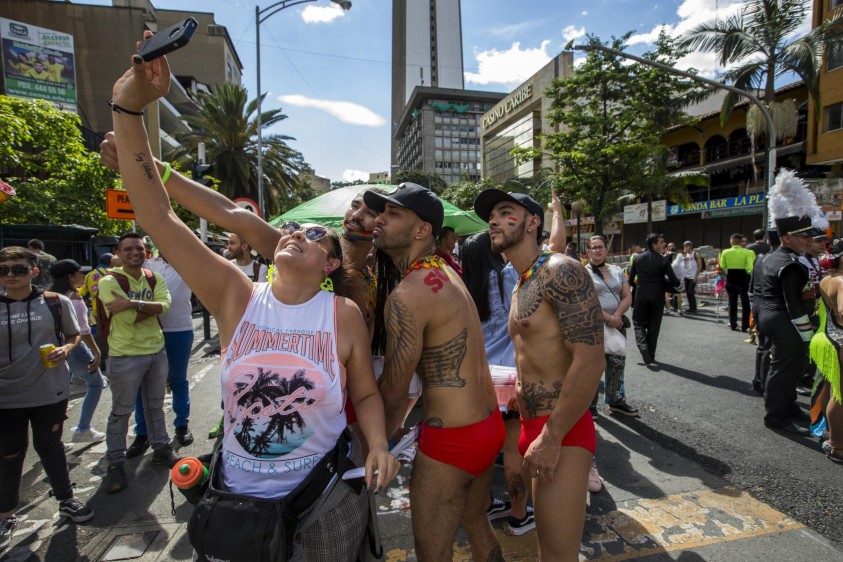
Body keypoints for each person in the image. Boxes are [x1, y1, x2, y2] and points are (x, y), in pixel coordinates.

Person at [108, 45, 398, 560]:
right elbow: (160, 218)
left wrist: (377, 443)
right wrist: (129, 110)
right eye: (290, 228)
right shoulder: (235, 294)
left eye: (314, 233)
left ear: (330, 264)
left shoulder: (342, 312)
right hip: (235, 502)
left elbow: (367, 394)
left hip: (323, 504)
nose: (294, 233)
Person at [362, 182, 503, 561]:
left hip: (452, 442)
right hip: (487, 427)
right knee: (477, 523)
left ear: (423, 229)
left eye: (392, 214)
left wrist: (372, 446)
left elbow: (393, 390)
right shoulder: (443, 270)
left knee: (432, 553)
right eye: (380, 212)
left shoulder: (408, 294)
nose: (379, 220)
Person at [473, 188, 605, 561]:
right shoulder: (520, 280)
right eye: (491, 216)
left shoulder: (560, 270)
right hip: (533, 427)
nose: (493, 221)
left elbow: (592, 360)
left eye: (505, 212)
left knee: (558, 556)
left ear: (533, 223)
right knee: (544, 547)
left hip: (561, 430)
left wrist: (552, 436)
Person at [0, 247, 93, 553]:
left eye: (18, 269)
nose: (10, 275)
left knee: (50, 446)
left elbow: (73, 334)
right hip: (6, 395)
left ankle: (66, 499)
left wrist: (66, 350)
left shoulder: (55, 303)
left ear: (34, 272)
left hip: (49, 390)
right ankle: (6, 513)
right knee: (10, 453)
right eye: (4, 270)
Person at [461, 232, 535, 535]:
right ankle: (519, 516)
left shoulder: (463, 288)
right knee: (512, 450)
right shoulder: (505, 277)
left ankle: (488, 504)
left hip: (480, 379)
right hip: (509, 375)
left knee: (485, 450)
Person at [99, 232, 179, 493]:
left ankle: (161, 449)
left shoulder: (154, 277)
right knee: (121, 411)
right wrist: (148, 306)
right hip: (124, 356)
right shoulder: (109, 281)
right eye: (129, 249)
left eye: (140, 249)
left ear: (146, 253)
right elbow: (126, 319)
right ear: (119, 253)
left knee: (155, 406)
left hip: (156, 351)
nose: (135, 253)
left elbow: (165, 306)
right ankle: (115, 463)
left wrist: (132, 303)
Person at [756, 169, 817, 434]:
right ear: (786, 238)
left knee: (786, 368)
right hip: (785, 319)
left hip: (769, 315)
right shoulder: (791, 263)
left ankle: (788, 406)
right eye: (803, 236)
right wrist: (807, 333)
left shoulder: (770, 258)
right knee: (784, 369)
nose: (808, 240)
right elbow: (793, 302)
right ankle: (776, 417)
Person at [129, 251, 195, 454]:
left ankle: (182, 425)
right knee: (143, 383)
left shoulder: (188, 261)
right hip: (148, 330)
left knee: (178, 379)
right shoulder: (147, 262)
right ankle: (142, 433)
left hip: (180, 330)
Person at [49, 260, 108, 443]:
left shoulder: (48, 296)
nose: (83, 276)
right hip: (74, 349)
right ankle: (83, 428)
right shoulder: (74, 299)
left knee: (58, 393)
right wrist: (97, 352)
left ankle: (54, 438)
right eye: (79, 273)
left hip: (53, 351)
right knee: (97, 383)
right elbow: (82, 331)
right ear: (70, 277)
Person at [585, 235, 638, 417]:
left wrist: (616, 316)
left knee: (617, 362)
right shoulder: (583, 272)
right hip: (594, 325)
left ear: (607, 250)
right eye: (593, 247)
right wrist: (608, 317)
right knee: (593, 366)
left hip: (617, 323)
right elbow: (586, 301)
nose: (597, 250)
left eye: (601, 247)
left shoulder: (617, 270)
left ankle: (616, 400)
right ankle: (589, 405)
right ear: (588, 251)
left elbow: (627, 296)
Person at [810, 237, 843, 463]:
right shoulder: (842, 281)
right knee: (840, 396)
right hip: (839, 341)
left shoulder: (827, 279)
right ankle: (838, 445)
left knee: (833, 390)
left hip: (828, 339)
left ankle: (832, 434)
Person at [628, 233, 681, 366]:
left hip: (640, 296)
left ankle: (643, 348)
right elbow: (674, 280)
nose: (664, 244)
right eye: (661, 242)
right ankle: (650, 354)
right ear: (654, 245)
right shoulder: (664, 260)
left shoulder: (638, 258)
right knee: (654, 326)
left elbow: (630, 279)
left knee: (638, 323)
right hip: (657, 297)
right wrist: (678, 287)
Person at [750, 231, 780, 395]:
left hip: (758, 304)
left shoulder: (760, 258)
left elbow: (752, 285)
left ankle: (758, 380)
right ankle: (762, 382)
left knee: (763, 346)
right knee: (768, 347)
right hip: (769, 306)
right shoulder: (776, 260)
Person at [80, 253, 114, 360]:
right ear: (110, 262)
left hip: (97, 312)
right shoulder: (113, 273)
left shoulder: (89, 275)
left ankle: (101, 361)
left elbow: (83, 292)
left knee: (100, 336)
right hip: (113, 310)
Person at [719, 233, 755, 332]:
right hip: (743, 278)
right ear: (740, 241)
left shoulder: (725, 252)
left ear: (732, 241)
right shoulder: (749, 252)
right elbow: (750, 268)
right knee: (745, 302)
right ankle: (745, 326)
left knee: (732, 302)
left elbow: (723, 265)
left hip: (730, 277)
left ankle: (733, 324)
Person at [674, 241, 703, 314]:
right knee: (688, 292)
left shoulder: (696, 254)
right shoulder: (685, 255)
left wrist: (696, 277)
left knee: (690, 292)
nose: (684, 248)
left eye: (685, 246)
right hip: (686, 276)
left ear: (689, 246)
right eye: (683, 246)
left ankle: (694, 308)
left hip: (693, 276)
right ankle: (691, 308)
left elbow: (700, 266)